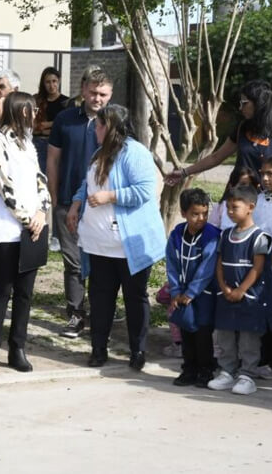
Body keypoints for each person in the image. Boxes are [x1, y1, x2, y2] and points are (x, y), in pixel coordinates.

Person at [66, 104, 166, 369]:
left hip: (129, 244)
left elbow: (145, 191)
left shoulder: (135, 152)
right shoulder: (100, 153)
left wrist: (110, 196)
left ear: (109, 127)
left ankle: (138, 351)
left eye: (98, 125)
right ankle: (98, 349)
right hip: (99, 244)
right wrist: (77, 204)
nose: (95, 130)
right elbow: (88, 184)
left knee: (135, 298)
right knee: (100, 299)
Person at [0, 92, 49, 373]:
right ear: (22, 111)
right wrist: (26, 217)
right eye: (32, 109)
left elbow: (39, 180)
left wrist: (42, 212)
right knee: (2, 289)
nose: (36, 114)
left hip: (32, 227)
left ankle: (17, 347)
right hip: (6, 228)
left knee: (25, 292)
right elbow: (3, 185)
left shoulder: (27, 144)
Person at [48, 68, 113, 338]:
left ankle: (101, 314)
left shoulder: (115, 121)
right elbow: (53, 160)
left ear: (110, 95)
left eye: (103, 94)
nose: (97, 98)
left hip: (102, 205)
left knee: (100, 262)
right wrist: (54, 198)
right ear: (83, 88)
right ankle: (75, 313)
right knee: (73, 262)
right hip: (66, 201)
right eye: (93, 92)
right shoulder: (64, 118)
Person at [208, 184, 272, 395]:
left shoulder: (260, 238)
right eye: (228, 207)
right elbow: (219, 262)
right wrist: (224, 287)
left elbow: (258, 268)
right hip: (226, 294)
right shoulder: (225, 235)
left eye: (234, 207)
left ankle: (247, 374)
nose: (229, 211)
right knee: (225, 334)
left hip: (250, 297)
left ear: (250, 207)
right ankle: (227, 371)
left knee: (248, 337)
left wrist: (241, 290)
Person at [166, 80, 272, 185]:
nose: (240, 108)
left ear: (260, 103)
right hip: (238, 195)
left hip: (268, 199)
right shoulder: (242, 127)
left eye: (244, 103)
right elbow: (216, 157)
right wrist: (184, 172)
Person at [166, 189, 219, 387]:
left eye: (204, 214)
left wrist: (191, 292)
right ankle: (189, 369)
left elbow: (207, 267)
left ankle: (205, 371)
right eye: (195, 214)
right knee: (186, 330)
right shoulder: (177, 234)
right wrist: (175, 291)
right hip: (181, 294)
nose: (200, 218)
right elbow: (172, 263)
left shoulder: (212, 235)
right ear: (184, 213)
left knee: (203, 333)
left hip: (203, 294)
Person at [251, 156, 272, 380]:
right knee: (261, 316)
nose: (265, 178)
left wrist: (268, 264)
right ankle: (260, 359)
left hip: (271, 265)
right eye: (263, 173)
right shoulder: (258, 200)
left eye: (271, 174)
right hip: (257, 264)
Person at [33, 66, 69, 176]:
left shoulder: (66, 102)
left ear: (59, 81)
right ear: (43, 83)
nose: (51, 85)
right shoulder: (37, 100)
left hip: (57, 144)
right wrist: (44, 128)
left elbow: (64, 125)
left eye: (54, 81)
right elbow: (33, 125)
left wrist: (48, 125)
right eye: (48, 82)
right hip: (38, 143)